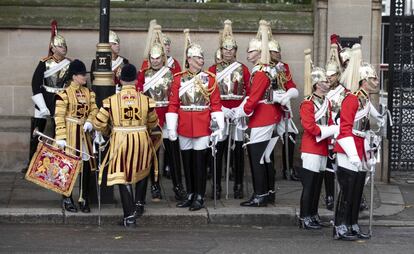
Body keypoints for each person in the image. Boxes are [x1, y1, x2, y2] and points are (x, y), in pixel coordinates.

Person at [93, 64, 161, 227]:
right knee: (142, 171)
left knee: (123, 176)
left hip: (120, 139)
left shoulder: (110, 101)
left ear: (121, 80)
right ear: (136, 81)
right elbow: (153, 122)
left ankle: (129, 216)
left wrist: (108, 131)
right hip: (141, 138)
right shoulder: (146, 100)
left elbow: (98, 123)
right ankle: (138, 205)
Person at [166, 29, 223, 211]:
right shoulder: (178, 79)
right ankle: (190, 193)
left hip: (202, 125)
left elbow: (215, 104)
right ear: (189, 59)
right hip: (184, 125)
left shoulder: (210, 79)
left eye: (202, 57)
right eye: (197, 58)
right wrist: (172, 127)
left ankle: (199, 195)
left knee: (199, 163)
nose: (201, 61)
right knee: (187, 162)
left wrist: (217, 127)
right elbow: (173, 104)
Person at [136, 25, 187, 211]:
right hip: (151, 117)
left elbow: (176, 94)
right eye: (153, 58)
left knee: (174, 154)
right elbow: (140, 94)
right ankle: (155, 185)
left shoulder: (171, 73)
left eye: (159, 58)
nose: (156, 61)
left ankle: (177, 186)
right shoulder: (143, 74)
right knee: (152, 156)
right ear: (149, 58)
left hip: (168, 116)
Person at [333, 44, 378, 240]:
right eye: (373, 78)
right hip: (347, 149)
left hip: (360, 148)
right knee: (347, 190)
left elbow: (364, 128)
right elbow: (345, 129)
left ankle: (352, 223)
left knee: (357, 191)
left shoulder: (366, 100)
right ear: (364, 81)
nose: (376, 81)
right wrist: (352, 154)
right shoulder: (351, 99)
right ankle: (339, 226)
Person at [207, 20, 250, 199]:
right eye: (225, 48)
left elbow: (249, 91)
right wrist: (222, 110)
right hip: (220, 113)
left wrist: (240, 109)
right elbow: (208, 93)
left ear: (235, 51)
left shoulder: (243, 69)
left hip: (238, 114)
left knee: (238, 152)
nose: (228, 51)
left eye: (232, 49)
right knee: (219, 150)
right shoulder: (212, 70)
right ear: (221, 50)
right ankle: (216, 185)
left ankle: (238, 185)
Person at [23, 20, 71, 173]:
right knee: (37, 133)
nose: (63, 48)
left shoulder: (69, 64)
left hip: (60, 100)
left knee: (61, 134)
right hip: (45, 98)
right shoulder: (44, 62)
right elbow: (35, 83)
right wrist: (42, 106)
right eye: (60, 46)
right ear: (53, 47)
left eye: (64, 46)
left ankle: (61, 165)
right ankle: (31, 164)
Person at [299, 49, 338, 229]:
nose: (327, 82)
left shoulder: (327, 102)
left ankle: (313, 214)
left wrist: (331, 140)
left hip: (322, 147)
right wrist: (330, 130)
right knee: (309, 185)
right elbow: (309, 127)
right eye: (323, 81)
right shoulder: (307, 103)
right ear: (316, 84)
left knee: (317, 185)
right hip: (311, 148)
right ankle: (304, 217)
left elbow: (329, 121)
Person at [54, 59, 98, 213]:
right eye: (81, 74)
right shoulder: (63, 94)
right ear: (74, 76)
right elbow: (59, 116)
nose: (84, 77)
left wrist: (90, 121)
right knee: (68, 166)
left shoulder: (89, 93)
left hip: (84, 134)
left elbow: (94, 110)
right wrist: (61, 136)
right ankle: (67, 197)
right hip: (70, 132)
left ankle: (84, 197)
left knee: (86, 166)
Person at [268, 39, 300, 181]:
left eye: (279, 51)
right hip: (268, 105)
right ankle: (270, 169)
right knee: (269, 137)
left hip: (283, 105)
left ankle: (289, 169)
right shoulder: (262, 67)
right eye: (275, 51)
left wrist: (290, 93)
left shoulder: (283, 66)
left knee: (291, 135)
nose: (279, 53)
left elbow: (289, 83)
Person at [324, 38, 347, 211]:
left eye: (331, 75)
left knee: (345, 168)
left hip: (340, 132)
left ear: (338, 76)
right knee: (328, 168)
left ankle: (348, 196)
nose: (328, 78)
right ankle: (330, 196)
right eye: (327, 74)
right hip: (327, 132)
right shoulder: (321, 92)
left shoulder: (344, 92)